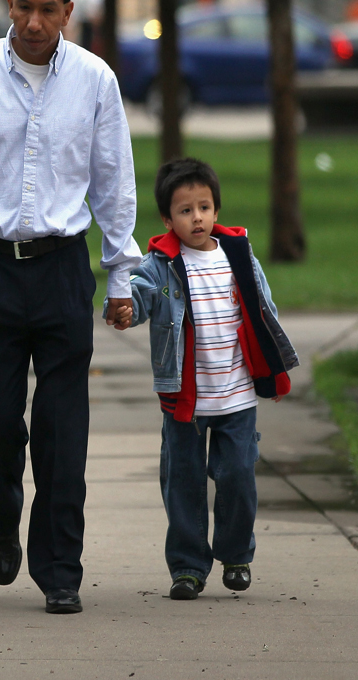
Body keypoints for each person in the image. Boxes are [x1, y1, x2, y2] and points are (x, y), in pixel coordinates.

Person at [0, 0, 143, 615]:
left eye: (48, 10)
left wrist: (119, 272)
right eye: (23, 7)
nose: (33, 23)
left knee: (61, 429)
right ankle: (1, 516)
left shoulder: (94, 81)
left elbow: (113, 181)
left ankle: (60, 569)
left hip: (59, 272)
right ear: (9, 3)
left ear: (68, 11)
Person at [110, 157, 298, 600]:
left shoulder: (238, 254)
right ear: (167, 219)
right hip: (186, 400)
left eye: (204, 207)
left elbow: (263, 313)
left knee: (237, 476)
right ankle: (189, 567)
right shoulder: (161, 265)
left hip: (235, 398)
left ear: (216, 210)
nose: (196, 217)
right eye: (184, 210)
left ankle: (235, 555)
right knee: (184, 484)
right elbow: (138, 297)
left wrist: (271, 374)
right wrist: (123, 308)